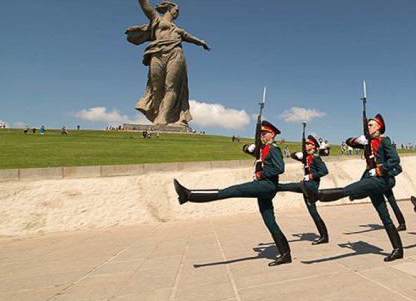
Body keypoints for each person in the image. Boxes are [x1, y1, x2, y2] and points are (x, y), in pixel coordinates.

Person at [173, 120, 292, 266]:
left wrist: (261, 175)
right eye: (261, 133)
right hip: (263, 187)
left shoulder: (273, 148)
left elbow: (280, 168)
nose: (262, 136)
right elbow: (244, 148)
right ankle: (286, 254)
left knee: (232, 191)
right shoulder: (264, 149)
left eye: (264, 133)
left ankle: (190, 195)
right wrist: (249, 147)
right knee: (270, 222)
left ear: (271, 134)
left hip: (267, 185)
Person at [302, 113, 403, 261]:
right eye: (368, 124)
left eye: (371, 125)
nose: (368, 127)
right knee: (384, 217)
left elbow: (395, 159)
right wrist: (358, 140)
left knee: (350, 189)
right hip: (371, 176)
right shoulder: (367, 141)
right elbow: (349, 141)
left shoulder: (384, 140)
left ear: (378, 127)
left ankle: (317, 195)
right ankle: (398, 249)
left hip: (379, 178)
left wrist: (380, 170)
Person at [123, 0, 211, 127]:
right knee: (156, 88)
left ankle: (163, 118)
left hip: (175, 55)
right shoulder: (156, 20)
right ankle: (158, 114)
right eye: (177, 10)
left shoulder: (179, 30)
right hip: (157, 53)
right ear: (170, 8)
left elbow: (191, 38)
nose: (178, 13)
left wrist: (202, 43)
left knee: (171, 87)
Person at [278, 134, 330, 244]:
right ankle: (324, 236)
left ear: (313, 146)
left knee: (297, 185)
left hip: (311, 185)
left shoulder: (316, 158)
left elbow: (324, 171)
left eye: (308, 144)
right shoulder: (307, 157)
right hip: (307, 187)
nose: (306, 145)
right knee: (313, 212)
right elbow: (292, 155)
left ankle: (278, 187)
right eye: (305, 144)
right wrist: (297, 155)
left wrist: (311, 176)